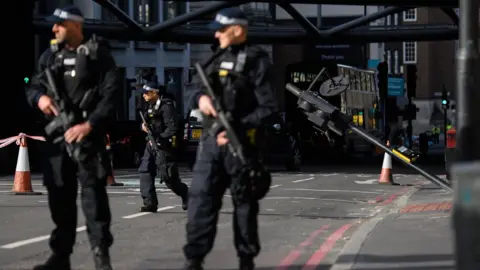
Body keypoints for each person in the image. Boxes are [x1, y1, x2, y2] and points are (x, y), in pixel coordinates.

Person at [183, 7, 278, 270]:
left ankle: (246, 259)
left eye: (221, 29)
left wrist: (237, 126)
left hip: (241, 145)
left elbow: (268, 108)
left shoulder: (257, 61)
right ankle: (194, 259)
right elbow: (193, 88)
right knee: (200, 201)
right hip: (211, 145)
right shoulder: (215, 59)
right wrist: (200, 99)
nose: (216, 34)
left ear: (238, 30)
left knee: (244, 206)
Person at [25, 5, 118, 270]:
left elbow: (110, 95)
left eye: (60, 24)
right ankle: (61, 257)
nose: (54, 29)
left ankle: (101, 257)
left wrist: (89, 125)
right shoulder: (49, 56)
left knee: (94, 201)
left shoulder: (98, 54)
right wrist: (39, 98)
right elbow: (32, 85)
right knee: (59, 199)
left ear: (76, 26)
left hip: (88, 140)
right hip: (57, 140)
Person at [137, 81, 189, 212]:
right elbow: (147, 123)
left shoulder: (167, 106)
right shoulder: (149, 105)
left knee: (168, 177)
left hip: (164, 145)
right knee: (145, 171)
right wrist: (143, 127)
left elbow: (172, 128)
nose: (144, 96)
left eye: (146, 93)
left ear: (155, 92)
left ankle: (186, 195)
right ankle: (150, 203)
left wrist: (160, 139)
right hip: (151, 143)